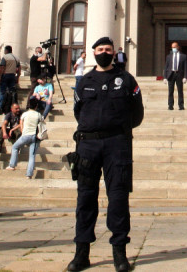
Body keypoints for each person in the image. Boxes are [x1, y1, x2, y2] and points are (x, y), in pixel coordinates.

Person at [67, 37, 144, 272]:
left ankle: (119, 253)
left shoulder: (126, 79)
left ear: (114, 53)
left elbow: (137, 114)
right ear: (93, 52)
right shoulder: (84, 81)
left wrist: (115, 129)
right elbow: (79, 112)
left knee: (119, 198)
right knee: (85, 199)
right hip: (88, 145)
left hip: (117, 144)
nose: (104, 52)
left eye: (108, 49)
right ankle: (82, 254)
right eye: (100, 49)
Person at [6, 97, 43, 178]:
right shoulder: (38, 115)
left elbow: (21, 124)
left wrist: (23, 132)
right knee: (32, 156)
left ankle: (12, 165)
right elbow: (42, 123)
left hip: (26, 135)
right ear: (36, 106)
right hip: (35, 136)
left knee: (15, 147)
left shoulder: (24, 114)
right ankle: (29, 174)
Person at [164, 42, 187, 110]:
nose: (173, 48)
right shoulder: (169, 56)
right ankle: (170, 105)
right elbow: (166, 67)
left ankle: (181, 105)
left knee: (180, 91)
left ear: (178, 47)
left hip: (179, 74)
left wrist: (185, 76)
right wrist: (165, 77)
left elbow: (185, 67)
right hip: (171, 74)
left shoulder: (183, 56)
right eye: (172, 47)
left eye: (175, 47)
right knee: (170, 91)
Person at [0, 45, 20, 113]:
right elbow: (19, 69)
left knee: (2, 91)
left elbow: (2, 67)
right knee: (11, 92)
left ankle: (0, 107)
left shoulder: (5, 57)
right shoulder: (16, 58)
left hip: (5, 75)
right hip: (12, 76)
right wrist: (17, 77)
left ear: (6, 50)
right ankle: (11, 106)